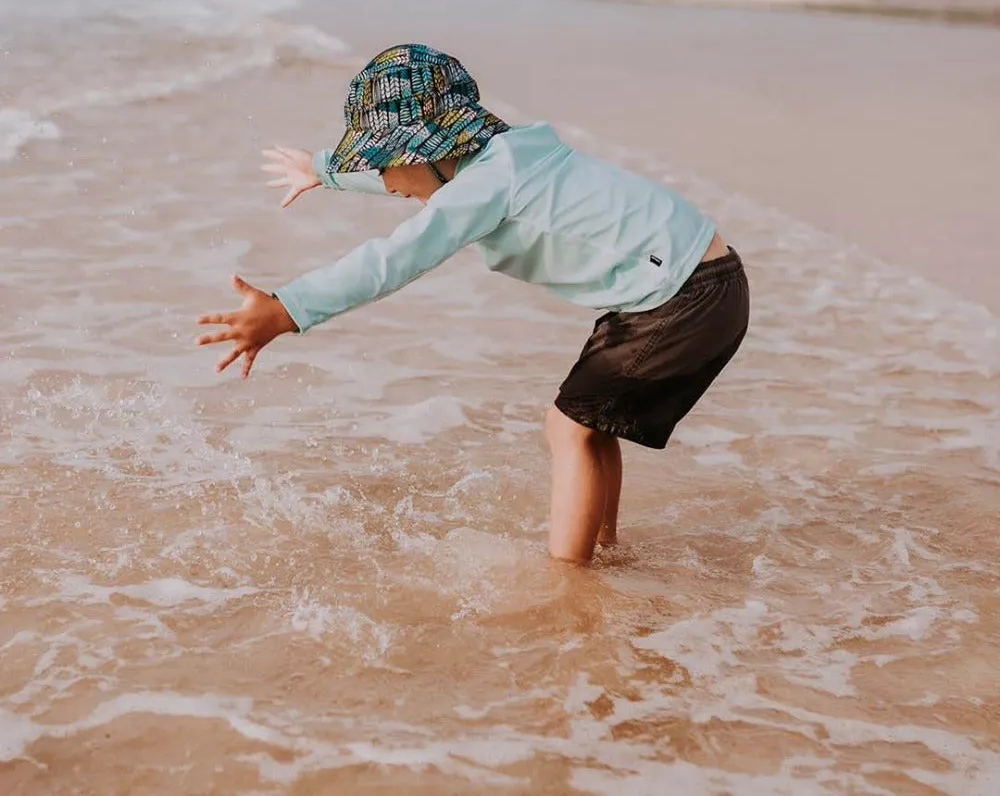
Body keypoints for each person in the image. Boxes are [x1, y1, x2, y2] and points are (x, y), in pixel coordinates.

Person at [196, 44, 750, 564]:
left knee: (568, 427)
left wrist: (287, 308)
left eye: (384, 163)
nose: (386, 183)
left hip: (681, 298)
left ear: (431, 153)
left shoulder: (484, 187)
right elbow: (416, 182)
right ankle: (603, 548)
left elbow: (394, 259)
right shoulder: (509, 152)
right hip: (693, 280)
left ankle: (571, 578)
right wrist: (325, 170)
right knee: (591, 424)